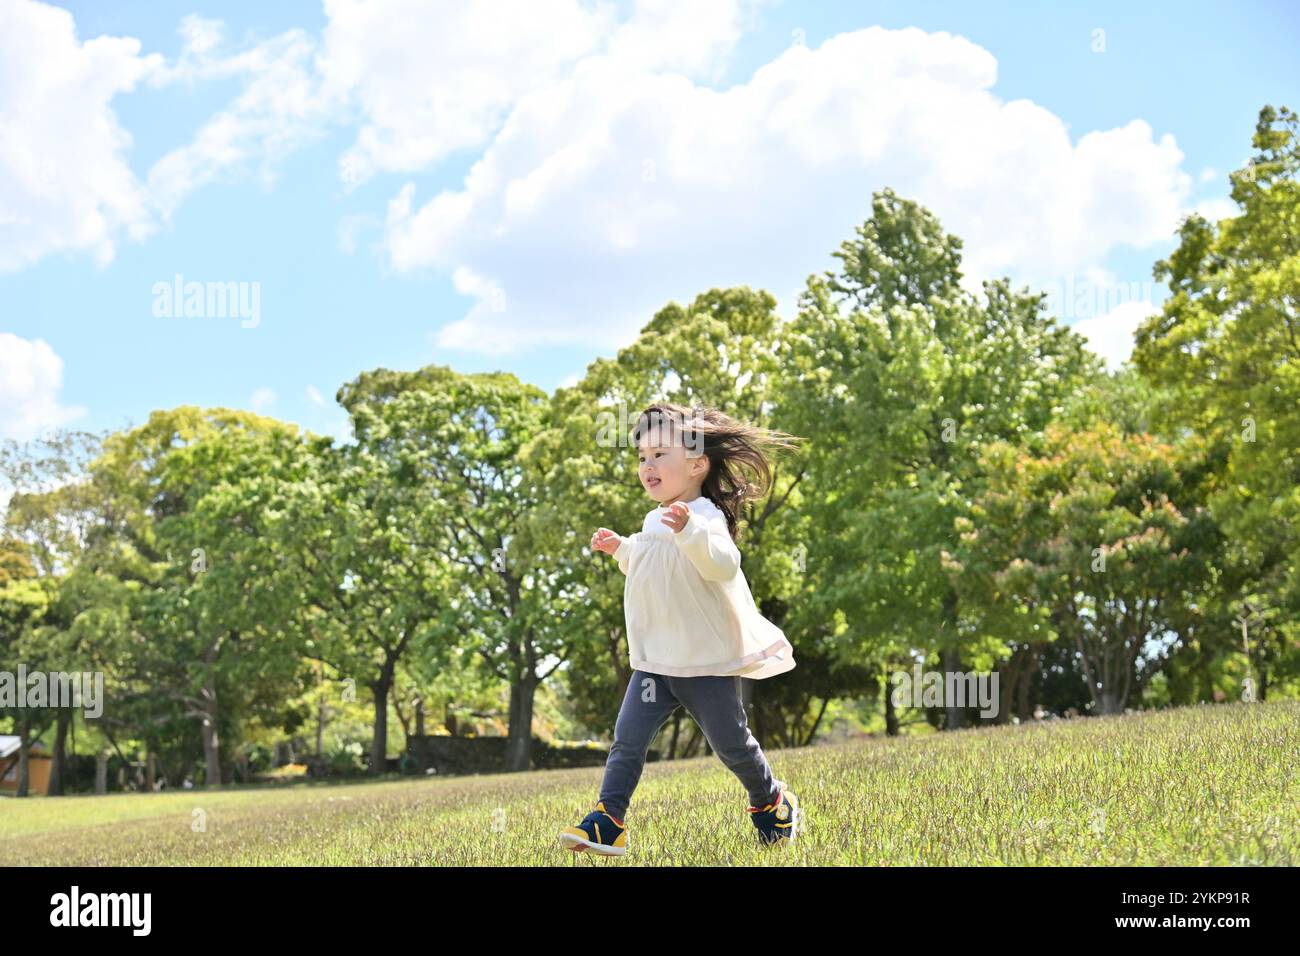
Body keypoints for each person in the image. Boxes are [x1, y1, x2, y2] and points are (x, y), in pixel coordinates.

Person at [558, 403, 805, 856]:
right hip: (656, 663)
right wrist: (622, 550)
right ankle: (608, 820)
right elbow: (651, 567)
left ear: (696, 464)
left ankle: (772, 802)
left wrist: (691, 531)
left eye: (658, 454)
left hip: (704, 664)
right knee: (627, 741)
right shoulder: (656, 518)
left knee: (731, 745)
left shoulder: (704, 515)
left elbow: (722, 565)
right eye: (641, 457)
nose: (646, 466)